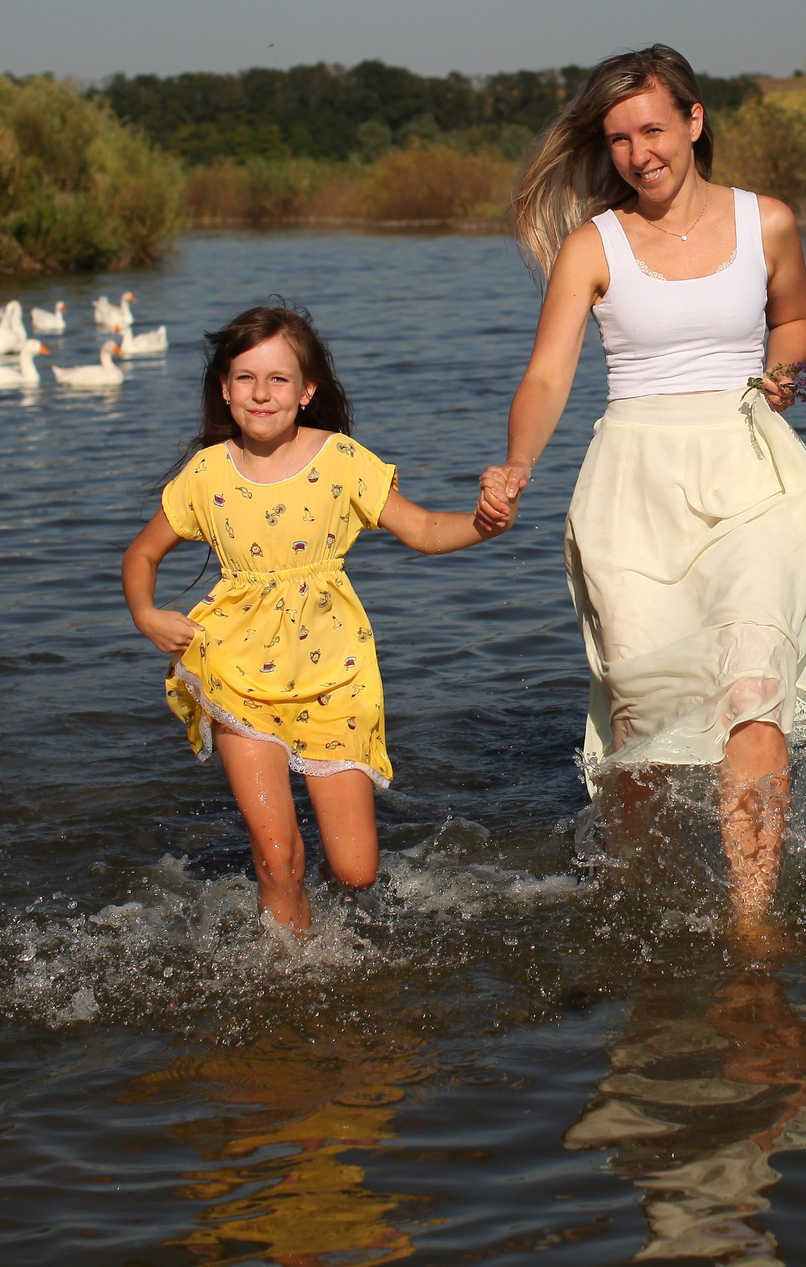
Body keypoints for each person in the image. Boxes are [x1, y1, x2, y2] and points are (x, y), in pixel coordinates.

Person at [479, 45, 806, 939]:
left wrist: (781, 368)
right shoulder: (592, 246)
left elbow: (795, 317)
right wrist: (515, 465)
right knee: (643, 716)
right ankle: (635, 892)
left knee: (753, 687)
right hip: (634, 490)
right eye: (619, 138)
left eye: (653, 129)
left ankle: (752, 923)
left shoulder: (767, 222)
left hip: (752, 472)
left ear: (694, 119)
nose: (639, 152)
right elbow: (547, 375)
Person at [123, 302, 514, 936]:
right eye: (246, 378)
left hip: (335, 671)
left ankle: (335, 945)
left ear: (306, 391)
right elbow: (141, 554)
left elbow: (421, 529)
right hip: (236, 671)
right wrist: (146, 613)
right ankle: (285, 969)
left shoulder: (342, 460)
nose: (261, 393)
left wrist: (484, 523)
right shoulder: (207, 473)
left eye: (278, 379)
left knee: (356, 871)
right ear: (224, 390)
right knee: (278, 858)